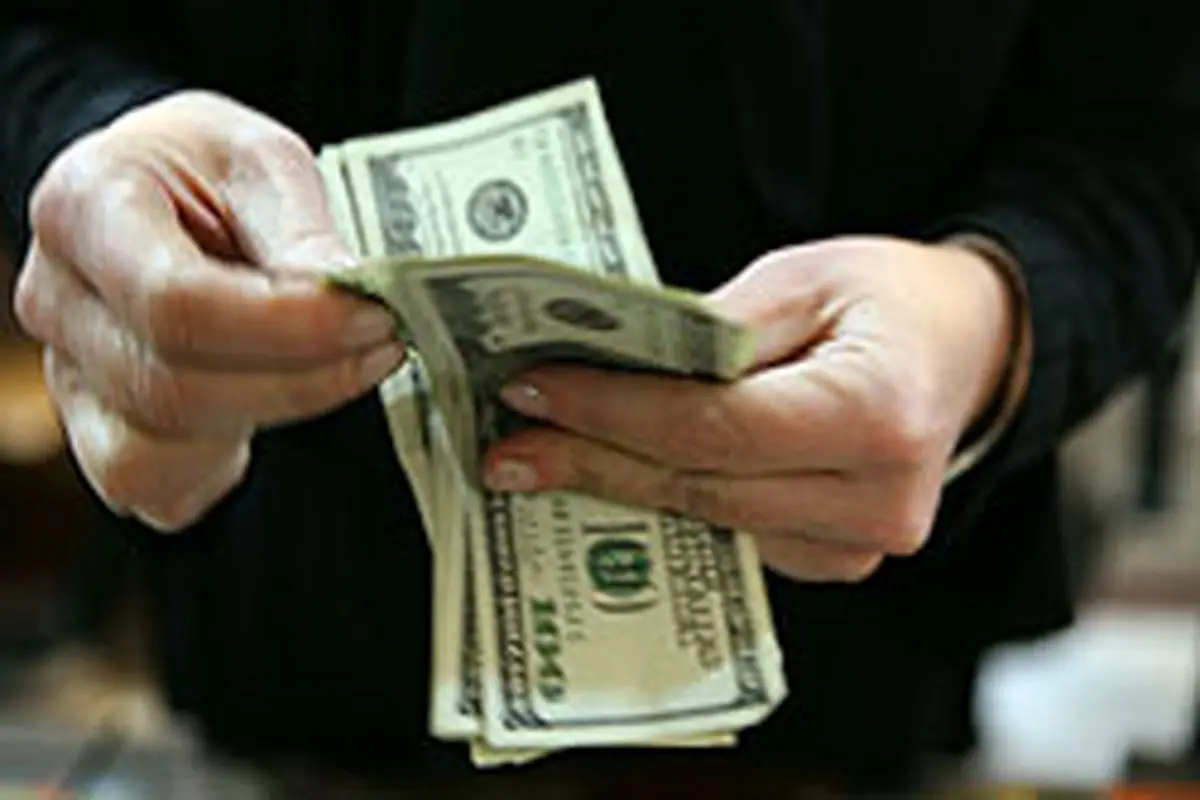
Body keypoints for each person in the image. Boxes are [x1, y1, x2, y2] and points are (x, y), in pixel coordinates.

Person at [2, 0, 1197, 790]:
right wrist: (100, 157)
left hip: (852, 693)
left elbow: (1146, 128)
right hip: (295, 637)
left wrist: (999, 313)